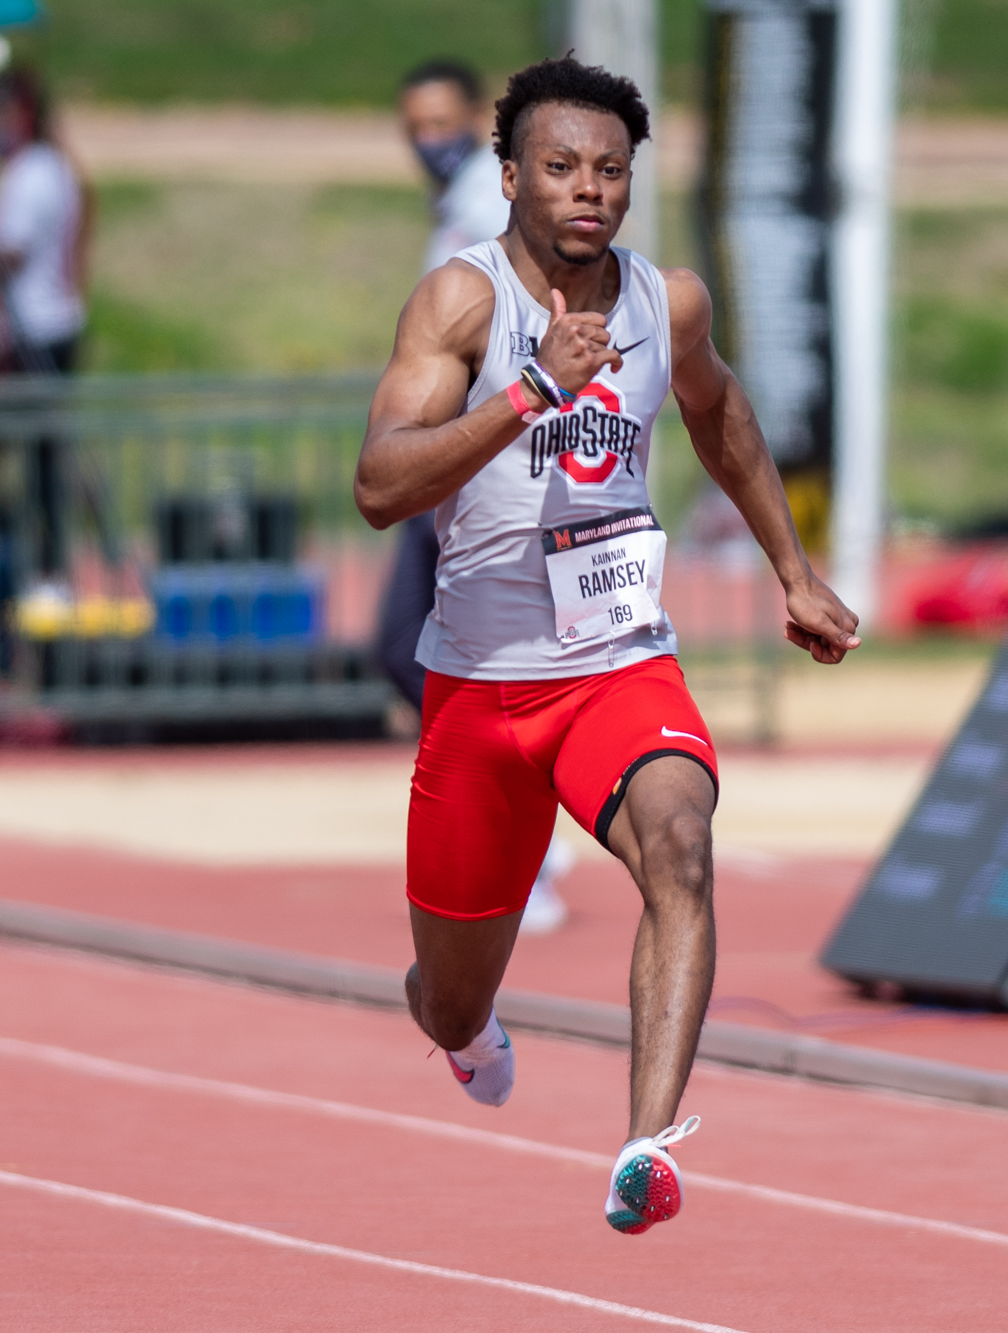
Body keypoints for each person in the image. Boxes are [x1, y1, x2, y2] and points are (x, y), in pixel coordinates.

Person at [355, 56, 860, 1235]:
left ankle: (647, 1143)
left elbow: (719, 411)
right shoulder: (459, 304)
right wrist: (528, 392)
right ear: (510, 177)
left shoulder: (662, 302)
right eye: (560, 167)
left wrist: (792, 569)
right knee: (443, 997)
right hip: (479, 691)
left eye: (610, 171)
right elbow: (379, 486)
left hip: (618, 664)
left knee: (681, 847)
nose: (587, 189)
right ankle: (465, 1027)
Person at [377, 59, 586, 931]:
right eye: (413, 126)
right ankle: (527, 833)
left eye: (441, 123)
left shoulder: (483, 209)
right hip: (448, 460)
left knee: (441, 657)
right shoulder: (454, 207)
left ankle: (528, 844)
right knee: (416, 654)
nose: (428, 141)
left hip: (486, 462)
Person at [0, 64, 92, 596]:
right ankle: (36, 563)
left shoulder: (33, 173)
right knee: (38, 457)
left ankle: (38, 568)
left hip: (33, 333)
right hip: (47, 326)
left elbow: (10, 256)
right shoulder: (54, 167)